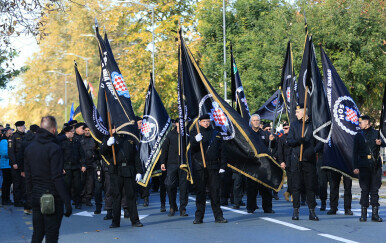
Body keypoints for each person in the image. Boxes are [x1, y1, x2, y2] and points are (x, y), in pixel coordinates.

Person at [24, 116, 72, 243]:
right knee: (51, 235)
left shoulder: (30, 148)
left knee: (37, 233)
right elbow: (57, 177)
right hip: (52, 197)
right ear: (54, 130)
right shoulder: (54, 148)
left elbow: (27, 176)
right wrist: (67, 201)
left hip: (35, 195)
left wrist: (29, 196)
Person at [100, 128, 143, 228]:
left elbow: (136, 156)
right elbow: (102, 152)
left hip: (129, 169)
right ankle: (115, 222)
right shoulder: (110, 138)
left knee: (131, 196)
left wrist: (139, 171)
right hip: (116, 170)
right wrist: (108, 144)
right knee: (116, 196)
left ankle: (135, 220)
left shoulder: (130, 138)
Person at [286, 105, 323, 221]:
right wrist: (298, 141)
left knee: (310, 187)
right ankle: (295, 211)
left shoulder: (314, 125)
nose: (296, 114)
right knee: (296, 186)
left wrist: (313, 151)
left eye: (297, 112)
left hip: (309, 161)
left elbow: (321, 141)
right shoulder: (294, 125)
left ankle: (312, 211)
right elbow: (289, 141)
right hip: (296, 160)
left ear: (303, 112)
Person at [190, 114, 227, 224]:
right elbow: (191, 150)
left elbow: (223, 151)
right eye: (204, 121)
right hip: (200, 167)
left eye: (208, 121)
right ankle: (199, 217)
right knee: (200, 192)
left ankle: (218, 216)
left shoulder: (216, 134)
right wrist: (195, 141)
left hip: (214, 166)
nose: (206, 123)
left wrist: (223, 166)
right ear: (199, 122)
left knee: (215, 192)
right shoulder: (195, 133)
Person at [353, 115, 384, 222]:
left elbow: (384, 143)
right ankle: (364, 214)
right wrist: (355, 166)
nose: (359, 124)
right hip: (363, 165)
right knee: (365, 189)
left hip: (375, 165)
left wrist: (380, 143)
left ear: (367, 122)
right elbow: (354, 153)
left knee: (374, 190)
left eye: (361, 122)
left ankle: (375, 214)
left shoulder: (377, 133)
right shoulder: (358, 136)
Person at [246, 114, 275, 214]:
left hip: (264, 165)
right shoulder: (248, 134)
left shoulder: (265, 134)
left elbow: (272, 147)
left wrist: (273, 140)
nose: (256, 122)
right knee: (251, 187)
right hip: (252, 164)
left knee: (266, 187)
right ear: (251, 122)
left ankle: (267, 208)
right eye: (254, 120)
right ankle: (251, 207)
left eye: (257, 120)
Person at [160, 119, 189, 216]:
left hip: (184, 164)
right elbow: (164, 149)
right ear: (176, 124)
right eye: (179, 123)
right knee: (169, 185)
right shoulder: (170, 135)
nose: (180, 125)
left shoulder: (186, 135)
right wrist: (163, 162)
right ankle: (172, 205)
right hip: (171, 163)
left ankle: (183, 208)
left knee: (184, 186)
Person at [61, 125, 85, 209]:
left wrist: (83, 165)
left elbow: (82, 154)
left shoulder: (76, 141)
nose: (73, 133)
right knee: (67, 186)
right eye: (72, 131)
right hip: (67, 167)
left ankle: (78, 202)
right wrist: (61, 168)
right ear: (67, 133)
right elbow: (60, 156)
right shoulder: (63, 142)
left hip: (76, 167)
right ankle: (67, 203)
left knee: (77, 186)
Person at [20, 124, 40, 215]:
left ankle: (27, 207)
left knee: (28, 188)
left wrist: (22, 169)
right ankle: (37, 207)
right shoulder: (38, 141)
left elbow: (20, 156)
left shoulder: (24, 140)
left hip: (27, 168)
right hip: (38, 168)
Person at [8, 120, 27, 207]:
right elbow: (11, 151)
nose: (24, 128)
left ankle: (23, 199)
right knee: (17, 183)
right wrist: (14, 163)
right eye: (23, 127)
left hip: (24, 164)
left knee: (24, 183)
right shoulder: (13, 137)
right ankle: (17, 200)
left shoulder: (26, 136)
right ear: (19, 127)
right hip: (16, 164)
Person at [79, 125, 97, 207]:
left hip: (91, 163)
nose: (87, 132)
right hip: (82, 164)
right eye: (85, 130)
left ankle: (88, 199)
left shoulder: (94, 139)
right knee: (81, 182)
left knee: (90, 182)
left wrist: (95, 155)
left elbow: (98, 150)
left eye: (88, 130)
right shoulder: (80, 139)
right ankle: (81, 198)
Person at [276, 122, 292, 202]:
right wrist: (282, 162)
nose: (285, 129)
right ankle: (290, 193)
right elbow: (280, 151)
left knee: (295, 179)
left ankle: (289, 192)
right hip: (286, 161)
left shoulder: (294, 136)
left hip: (294, 160)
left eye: (287, 128)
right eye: (284, 128)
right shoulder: (282, 138)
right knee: (290, 178)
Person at [0, 127, 13, 205]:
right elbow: (4, 153)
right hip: (5, 165)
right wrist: (12, 155)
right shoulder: (3, 141)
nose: (10, 134)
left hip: (8, 165)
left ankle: (6, 199)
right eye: (9, 133)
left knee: (7, 183)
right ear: (6, 133)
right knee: (6, 183)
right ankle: (5, 199)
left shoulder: (7, 140)